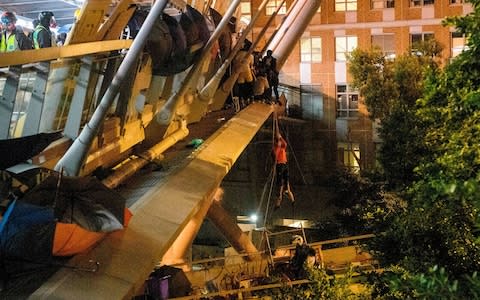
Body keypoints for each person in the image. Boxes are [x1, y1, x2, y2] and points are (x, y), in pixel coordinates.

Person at [273, 113, 294, 209]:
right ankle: (285, 202)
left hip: (283, 165)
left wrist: (276, 120)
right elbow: (278, 136)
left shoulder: (280, 147)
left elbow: (278, 134)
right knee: (283, 187)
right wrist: (276, 120)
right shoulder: (277, 147)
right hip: (281, 165)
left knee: (284, 187)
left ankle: (289, 202)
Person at [233, 40, 255, 108]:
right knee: (250, 85)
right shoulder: (251, 55)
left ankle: (241, 99)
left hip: (239, 71)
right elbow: (251, 64)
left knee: (241, 86)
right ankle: (248, 99)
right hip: (247, 71)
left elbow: (234, 61)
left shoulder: (239, 53)